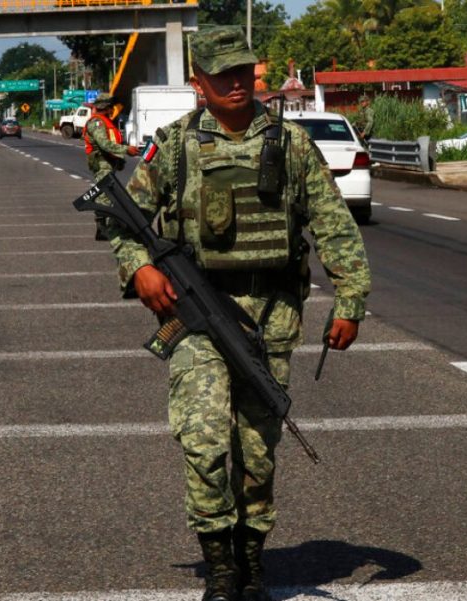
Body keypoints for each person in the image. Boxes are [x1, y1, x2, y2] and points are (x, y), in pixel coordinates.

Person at [107, 26, 370, 601]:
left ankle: (251, 561)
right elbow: (122, 220)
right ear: (199, 83)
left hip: (271, 313)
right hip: (196, 310)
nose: (235, 82)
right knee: (203, 441)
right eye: (221, 73)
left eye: (242, 72)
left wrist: (350, 300)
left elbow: (332, 224)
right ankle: (220, 568)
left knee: (257, 448)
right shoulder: (175, 145)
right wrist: (140, 269)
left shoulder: (292, 143)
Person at [85, 93, 139, 240]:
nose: (112, 110)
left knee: (108, 196)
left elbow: (113, 142)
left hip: (108, 164)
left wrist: (120, 159)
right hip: (102, 164)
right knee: (104, 198)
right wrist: (126, 150)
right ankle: (102, 229)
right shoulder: (97, 123)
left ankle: (105, 228)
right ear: (106, 107)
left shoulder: (106, 122)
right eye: (110, 107)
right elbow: (104, 144)